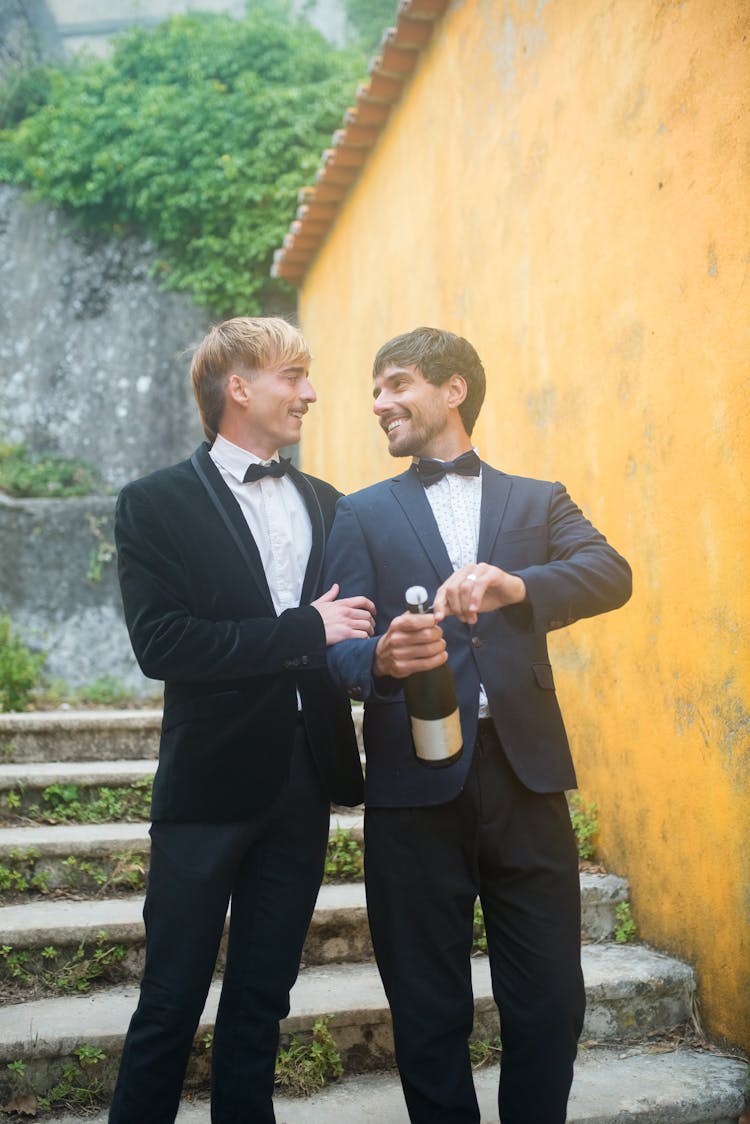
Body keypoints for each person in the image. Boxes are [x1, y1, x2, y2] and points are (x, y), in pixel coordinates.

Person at [323, 326, 632, 1124]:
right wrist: (381, 661)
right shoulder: (356, 514)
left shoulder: (540, 499)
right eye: (375, 391)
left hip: (527, 776)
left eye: (395, 385)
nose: (379, 404)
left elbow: (609, 573)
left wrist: (515, 584)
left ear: (452, 388)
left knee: (551, 1003)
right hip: (412, 783)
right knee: (427, 1011)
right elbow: (339, 648)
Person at [108, 316, 375, 1124]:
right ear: (239, 387)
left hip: (306, 781)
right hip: (207, 787)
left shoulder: (328, 504)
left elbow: (353, 632)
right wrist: (303, 631)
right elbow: (164, 644)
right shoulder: (152, 504)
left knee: (263, 1000)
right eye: (293, 374)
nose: (311, 392)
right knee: (170, 1000)